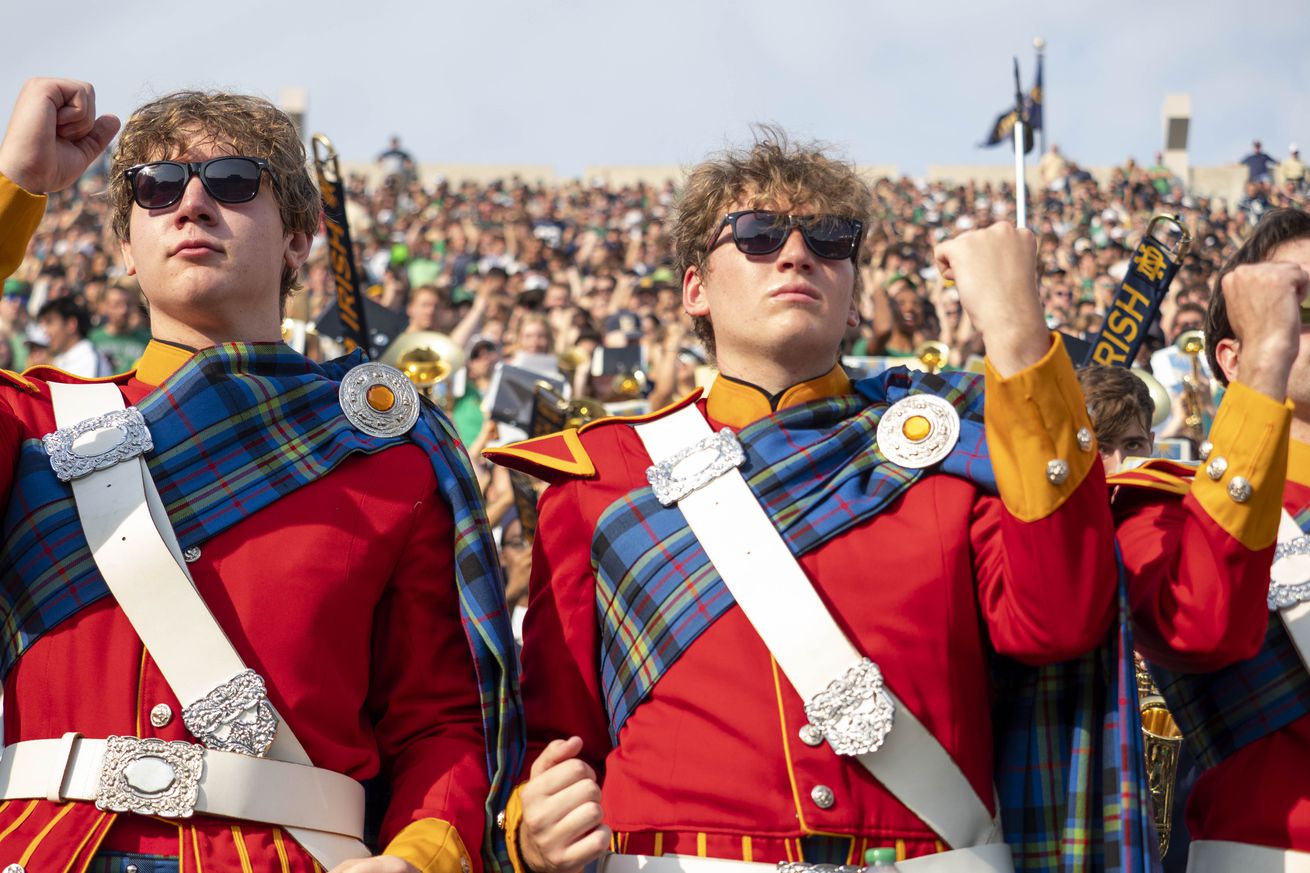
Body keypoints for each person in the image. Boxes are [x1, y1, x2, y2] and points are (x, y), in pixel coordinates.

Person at [488, 131, 1139, 873]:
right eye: (760, 235)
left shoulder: (958, 448)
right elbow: (553, 742)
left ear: (853, 285)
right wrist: (528, 831)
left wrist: (1020, 336)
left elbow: (1063, 617)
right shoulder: (596, 479)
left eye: (831, 240)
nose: (797, 254)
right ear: (695, 287)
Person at [0, 78, 519, 873]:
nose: (193, 203)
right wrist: (16, 189)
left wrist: (420, 856)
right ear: (124, 248)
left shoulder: (394, 456)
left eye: (235, 182)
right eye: (157, 186)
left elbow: (440, 722)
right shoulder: (29, 425)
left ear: (299, 240)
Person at [1126, 207, 1310, 871]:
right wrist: (1272, 361)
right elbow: (1196, 626)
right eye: (1302, 305)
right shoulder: (1164, 504)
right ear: (1232, 356)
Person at [35, 295, 113, 377]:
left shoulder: (89, 360)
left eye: (49, 323)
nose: (45, 332)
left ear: (71, 324)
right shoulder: (60, 359)